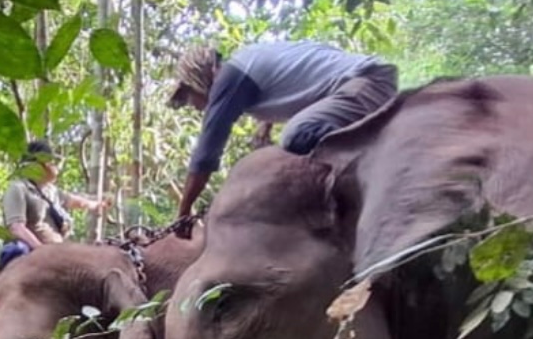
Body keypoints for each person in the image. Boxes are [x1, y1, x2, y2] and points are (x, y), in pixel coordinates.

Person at [168, 40, 397, 223]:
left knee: (297, 134)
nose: (195, 107)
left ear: (198, 79)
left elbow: (206, 155)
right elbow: (294, 77)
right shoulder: (248, 64)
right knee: (296, 138)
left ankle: (372, 175)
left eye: (189, 98)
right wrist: (266, 122)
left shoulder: (229, 77)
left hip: (364, 83)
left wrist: (184, 210)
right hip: (367, 79)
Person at [0, 139, 109, 270]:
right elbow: (16, 227)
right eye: (51, 162)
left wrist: (97, 204)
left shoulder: (52, 191)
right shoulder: (18, 188)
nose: (55, 166)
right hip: (31, 253)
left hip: (57, 252)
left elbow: (75, 201)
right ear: (36, 164)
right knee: (16, 250)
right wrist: (42, 251)